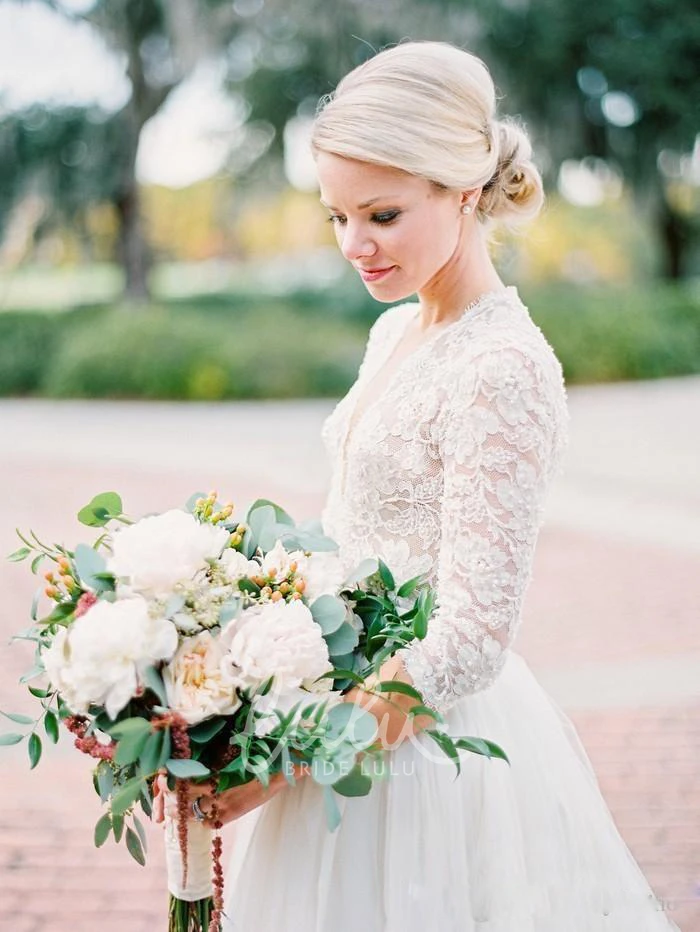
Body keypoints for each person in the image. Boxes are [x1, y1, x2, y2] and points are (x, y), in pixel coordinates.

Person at [166, 41, 681, 931]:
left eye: (383, 214)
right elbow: (347, 541)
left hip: (416, 760)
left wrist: (282, 767)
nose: (354, 245)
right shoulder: (394, 334)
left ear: (466, 190)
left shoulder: (503, 367)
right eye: (336, 216)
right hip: (337, 717)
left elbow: (470, 640)